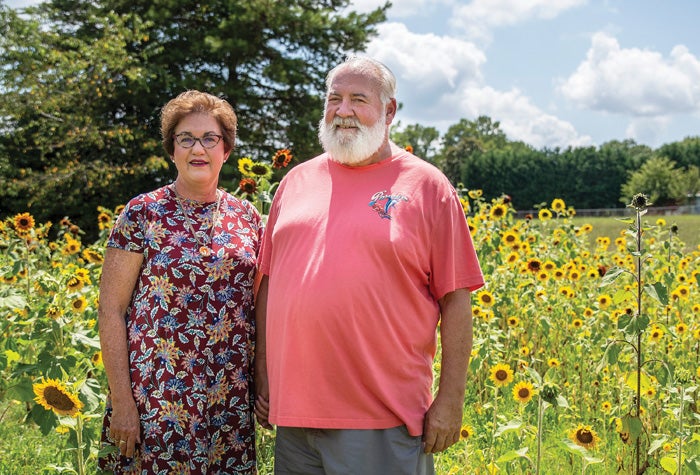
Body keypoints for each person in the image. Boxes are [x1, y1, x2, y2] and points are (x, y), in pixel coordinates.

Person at [254, 55, 485, 474]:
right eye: (334, 99)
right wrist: (264, 372)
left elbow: (456, 299)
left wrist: (451, 399)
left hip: (383, 417)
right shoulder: (295, 183)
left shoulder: (427, 186)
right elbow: (270, 284)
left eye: (358, 99)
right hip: (294, 418)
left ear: (389, 110)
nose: (343, 111)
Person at [98, 90, 263, 474]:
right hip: (156, 400)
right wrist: (123, 401)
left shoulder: (248, 217)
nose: (197, 148)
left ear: (226, 149)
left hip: (228, 400)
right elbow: (111, 310)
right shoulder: (142, 213)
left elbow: (262, 306)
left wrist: (263, 381)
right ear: (172, 150)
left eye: (210, 138)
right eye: (185, 138)